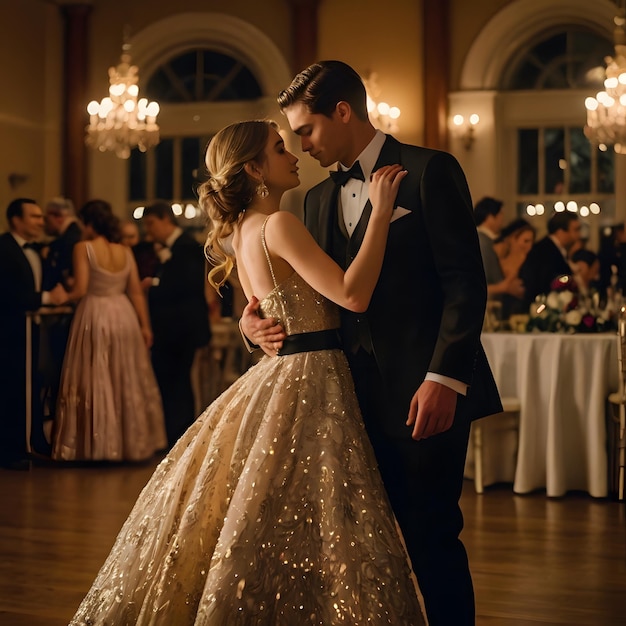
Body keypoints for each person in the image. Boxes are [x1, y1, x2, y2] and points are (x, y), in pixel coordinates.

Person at [68, 120, 424, 625]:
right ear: (255, 169)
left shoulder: (242, 232)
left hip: (282, 368)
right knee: (318, 515)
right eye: (280, 148)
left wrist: (247, 323)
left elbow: (265, 305)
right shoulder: (278, 223)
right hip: (310, 371)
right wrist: (381, 212)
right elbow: (351, 295)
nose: (294, 153)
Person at [241, 61, 502, 626]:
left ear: (342, 111)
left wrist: (444, 378)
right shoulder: (312, 200)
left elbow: (465, 283)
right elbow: (314, 292)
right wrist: (253, 320)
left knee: (433, 534)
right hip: (344, 401)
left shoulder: (430, 170)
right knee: (365, 544)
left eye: (305, 131)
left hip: (425, 393)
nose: (300, 145)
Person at [51, 200, 166, 461]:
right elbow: (136, 292)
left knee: (96, 375)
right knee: (123, 376)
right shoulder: (124, 251)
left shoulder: (84, 248)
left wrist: (62, 296)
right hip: (124, 314)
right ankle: (127, 444)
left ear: (89, 223)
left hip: (95, 313)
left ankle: (97, 446)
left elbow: (80, 290)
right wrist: (145, 326)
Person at [0, 199, 66, 470]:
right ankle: (10, 449)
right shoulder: (4, 249)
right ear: (16, 221)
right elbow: (7, 293)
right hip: (10, 332)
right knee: (11, 386)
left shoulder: (37, 251)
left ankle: (29, 442)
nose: (41, 222)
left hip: (32, 329)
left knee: (32, 385)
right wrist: (48, 296)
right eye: (35, 217)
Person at [142, 202, 211, 447]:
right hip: (171, 329)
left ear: (165, 219)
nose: (148, 230)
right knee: (172, 382)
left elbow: (188, 285)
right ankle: (173, 434)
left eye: (151, 223)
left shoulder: (187, 246)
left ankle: (179, 437)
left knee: (178, 383)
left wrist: (154, 286)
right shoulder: (171, 247)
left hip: (181, 329)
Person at [519, 211, 581, 307]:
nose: (579, 235)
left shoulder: (553, 249)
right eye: (576, 230)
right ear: (560, 232)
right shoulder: (544, 251)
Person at [474, 196, 524, 305]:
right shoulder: (482, 242)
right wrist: (503, 287)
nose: (502, 219)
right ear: (490, 217)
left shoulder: (486, 241)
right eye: (500, 214)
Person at [494, 218, 536, 316]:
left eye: (531, 242)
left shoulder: (530, 263)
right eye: (526, 241)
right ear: (513, 239)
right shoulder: (497, 257)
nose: (529, 246)